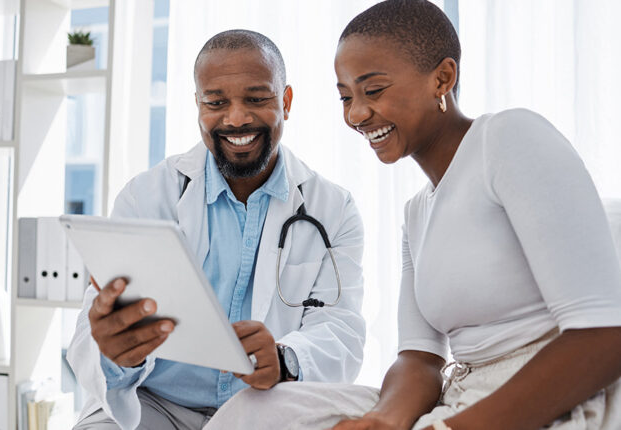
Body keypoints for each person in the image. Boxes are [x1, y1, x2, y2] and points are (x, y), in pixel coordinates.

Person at [204, 1, 621, 429]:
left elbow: (604, 337)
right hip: (461, 396)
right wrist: (385, 420)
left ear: (442, 77)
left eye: (374, 90)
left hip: (549, 399)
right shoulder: (418, 212)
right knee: (253, 412)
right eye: (346, 96)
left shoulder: (509, 139)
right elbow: (420, 357)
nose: (356, 114)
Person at [67, 29, 367, 430]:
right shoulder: (146, 197)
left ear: (286, 101)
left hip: (264, 409)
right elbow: (96, 329)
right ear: (197, 105)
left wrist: (284, 359)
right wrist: (117, 352)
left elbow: (341, 327)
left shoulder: (333, 208)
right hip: (153, 404)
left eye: (257, 99)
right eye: (216, 102)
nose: (237, 117)